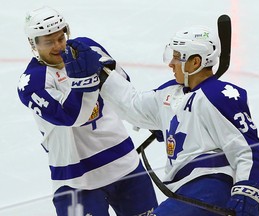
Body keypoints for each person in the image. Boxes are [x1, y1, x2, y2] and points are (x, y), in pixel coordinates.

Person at [69, 26, 259, 215]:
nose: (171, 64)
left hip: (210, 186)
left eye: (176, 58)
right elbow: (133, 105)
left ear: (195, 62)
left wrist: (246, 194)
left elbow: (248, 150)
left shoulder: (219, 96)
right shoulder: (171, 93)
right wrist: (101, 73)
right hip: (184, 192)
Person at [17, 6, 158, 216]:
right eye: (49, 42)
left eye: (60, 37)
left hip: (123, 162)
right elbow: (70, 116)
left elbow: (123, 86)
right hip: (75, 179)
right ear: (33, 43)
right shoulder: (32, 83)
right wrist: (86, 82)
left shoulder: (88, 48)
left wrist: (149, 118)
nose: (58, 46)